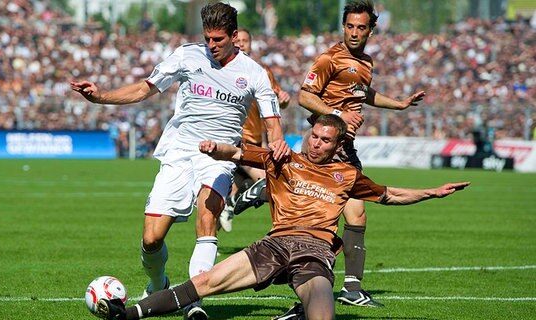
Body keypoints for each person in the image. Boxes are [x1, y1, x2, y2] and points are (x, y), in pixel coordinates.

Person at [92, 114, 470, 320]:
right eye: (314, 136)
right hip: (274, 245)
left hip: (314, 253)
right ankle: (129, 314)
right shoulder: (284, 158)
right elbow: (240, 153)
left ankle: (301, 314)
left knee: (324, 312)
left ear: (338, 145)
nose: (316, 143)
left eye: (325, 140)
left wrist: (431, 193)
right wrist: (215, 148)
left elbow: (389, 194)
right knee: (205, 282)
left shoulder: (348, 176)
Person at [70, 3, 290, 320]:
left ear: (234, 36)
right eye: (207, 38)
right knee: (151, 238)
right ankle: (159, 283)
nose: (211, 45)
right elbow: (145, 88)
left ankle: (192, 300)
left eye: (218, 39)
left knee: (208, 217)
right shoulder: (187, 55)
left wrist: (278, 146)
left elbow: (274, 126)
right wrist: (101, 96)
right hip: (179, 151)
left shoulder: (254, 73)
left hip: (218, 156)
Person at [234, 0, 426, 308]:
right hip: (328, 150)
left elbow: (364, 93)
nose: (353, 32)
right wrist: (338, 114)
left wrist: (400, 104)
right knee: (341, 217)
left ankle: (342, 288)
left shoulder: (366, 62)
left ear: (371, 30)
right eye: (349, 26)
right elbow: (304, 96)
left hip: (346, 148)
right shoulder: (329, 58)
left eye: (360, 27)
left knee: (354, 217)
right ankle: (329, 290)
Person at [218, 28, 291, 232]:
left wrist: (283, 99)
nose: (241, 44)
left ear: (251, 43)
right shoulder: (222, 69)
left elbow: (277, 103)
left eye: (245, 40)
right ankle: (282, 232)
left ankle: (228, 207)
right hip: (234, 140)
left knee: (235, 191)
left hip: (255, 142)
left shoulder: (261, 71)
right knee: (266, 181)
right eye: (237, 40)